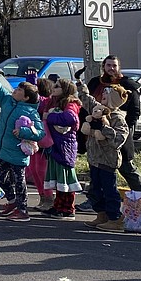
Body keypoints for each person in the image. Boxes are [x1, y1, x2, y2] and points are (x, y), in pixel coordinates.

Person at [0, 61, 44, 222]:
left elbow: (40, 133)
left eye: (20, 90)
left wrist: (23, 131)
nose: (15, 90)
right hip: (2, 150)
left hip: (17, 154)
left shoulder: (31, 112)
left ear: (26, 97)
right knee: (0, 177)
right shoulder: (7, 100)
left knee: (20, 181)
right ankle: (12, 201)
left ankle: (22, 210)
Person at [86, 55, 141, 192]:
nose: (111, 68)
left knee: (127, 167)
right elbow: (87, 104)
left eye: (114, 66)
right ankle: (93, 200)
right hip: (96, 133)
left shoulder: (126, 85)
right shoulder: (95, 83)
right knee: (96, 168)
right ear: (103, 67)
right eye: (108, 65)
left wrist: (124, 130)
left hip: (117, 133)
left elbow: (134, 111)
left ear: (119, 67)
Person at [79, 84, 130, 232]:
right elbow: (88, 101)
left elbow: (119, 139)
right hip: (95, 159)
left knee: (109, 191)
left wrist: (103, 128)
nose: (103, 97)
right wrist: (81, 88)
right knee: (95, 190)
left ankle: (115, 218)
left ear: (114, 100)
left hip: (108, 160)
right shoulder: (98, 111)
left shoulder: (117, 118)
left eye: (107, 95)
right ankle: (102, 214)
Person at [40, 78, 83, 219]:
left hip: (65, 146)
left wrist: (50, 116)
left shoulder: (71, 103)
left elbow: (70, 119)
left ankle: (68, 209)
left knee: (66, 179)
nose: (54, 87)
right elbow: (39, 101)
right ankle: (58, 206)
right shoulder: (53, 101)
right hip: (55, 145)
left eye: (57, 86)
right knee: (59, 179)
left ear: (65, 89)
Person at [27, 78, 54, 211]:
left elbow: (40, 101)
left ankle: (49, 198)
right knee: (33, 169)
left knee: (41, 170)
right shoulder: (37, 103)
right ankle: (42, 197)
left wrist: (31, 82)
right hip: (33, 139)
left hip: (43, 141)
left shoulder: (47, 102)